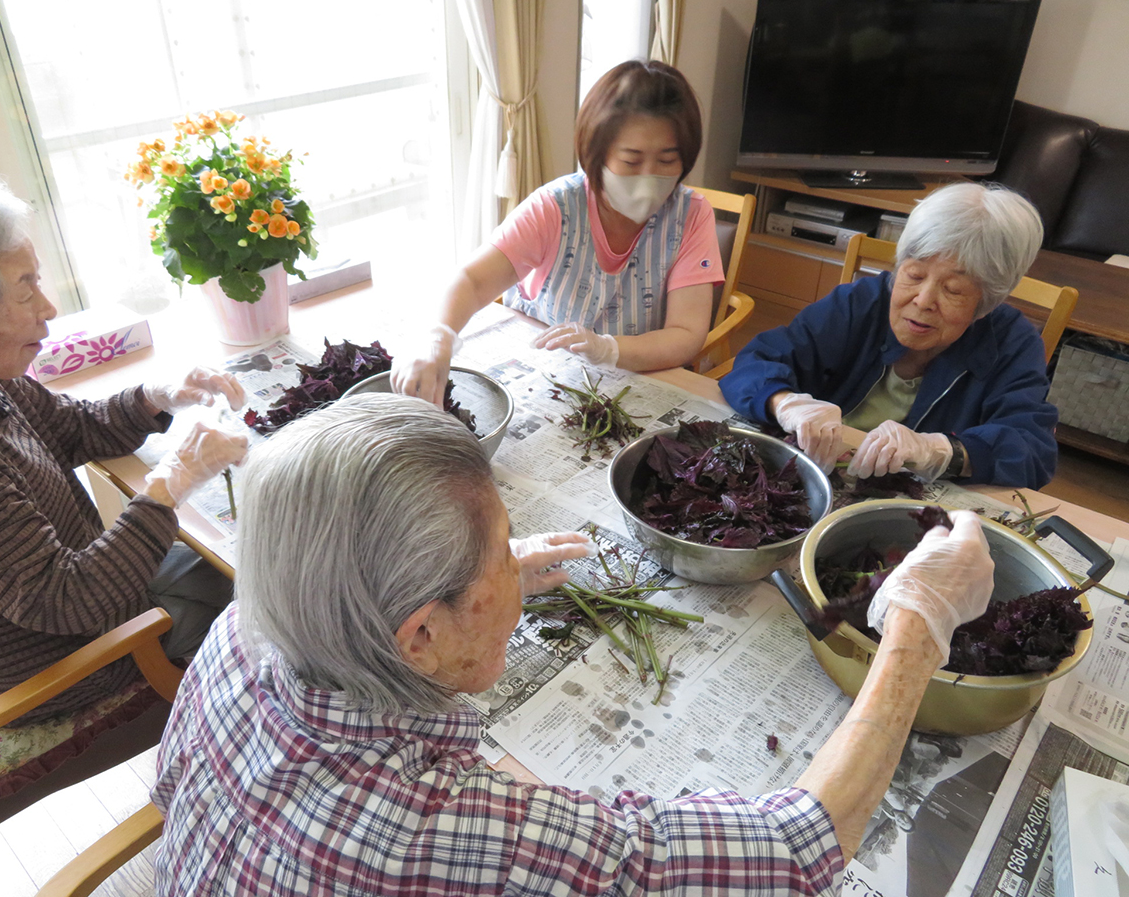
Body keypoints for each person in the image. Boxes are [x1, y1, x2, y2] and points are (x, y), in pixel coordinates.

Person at [153, 393, 994, 896]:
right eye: (503, 544)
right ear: (418, 634)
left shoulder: (251, 624)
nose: (514, 561)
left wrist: (479, 582)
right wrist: (916, 624)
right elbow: (791, 850)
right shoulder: (447, 829)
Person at [0, 184, 247, 722]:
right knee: (280, 593)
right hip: (59, 668)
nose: (49, 309)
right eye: (25, 291)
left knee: (248, 557)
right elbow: (65, 600)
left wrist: (158, 395)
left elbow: (72, 428)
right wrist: (175, 477)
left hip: (94, 601)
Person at [394, 59, 725, 406]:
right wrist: (438, 335)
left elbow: (685, 334)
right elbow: (473, 280)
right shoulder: (556, 208)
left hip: (636, 385)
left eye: (667, 161)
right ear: (596, 154)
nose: (648, 177)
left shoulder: (691, 215)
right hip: (548, 385)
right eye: (631, 161)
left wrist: (607, 348)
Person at [720, 182, 1058, 489]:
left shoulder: (1013, 343)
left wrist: (939, 450)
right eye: (913, 274)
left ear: (986, 303)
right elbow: (755, 362)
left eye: (953, 290)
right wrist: (785, 404)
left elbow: (1033, 449)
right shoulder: (858, 304)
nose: (923, 301)